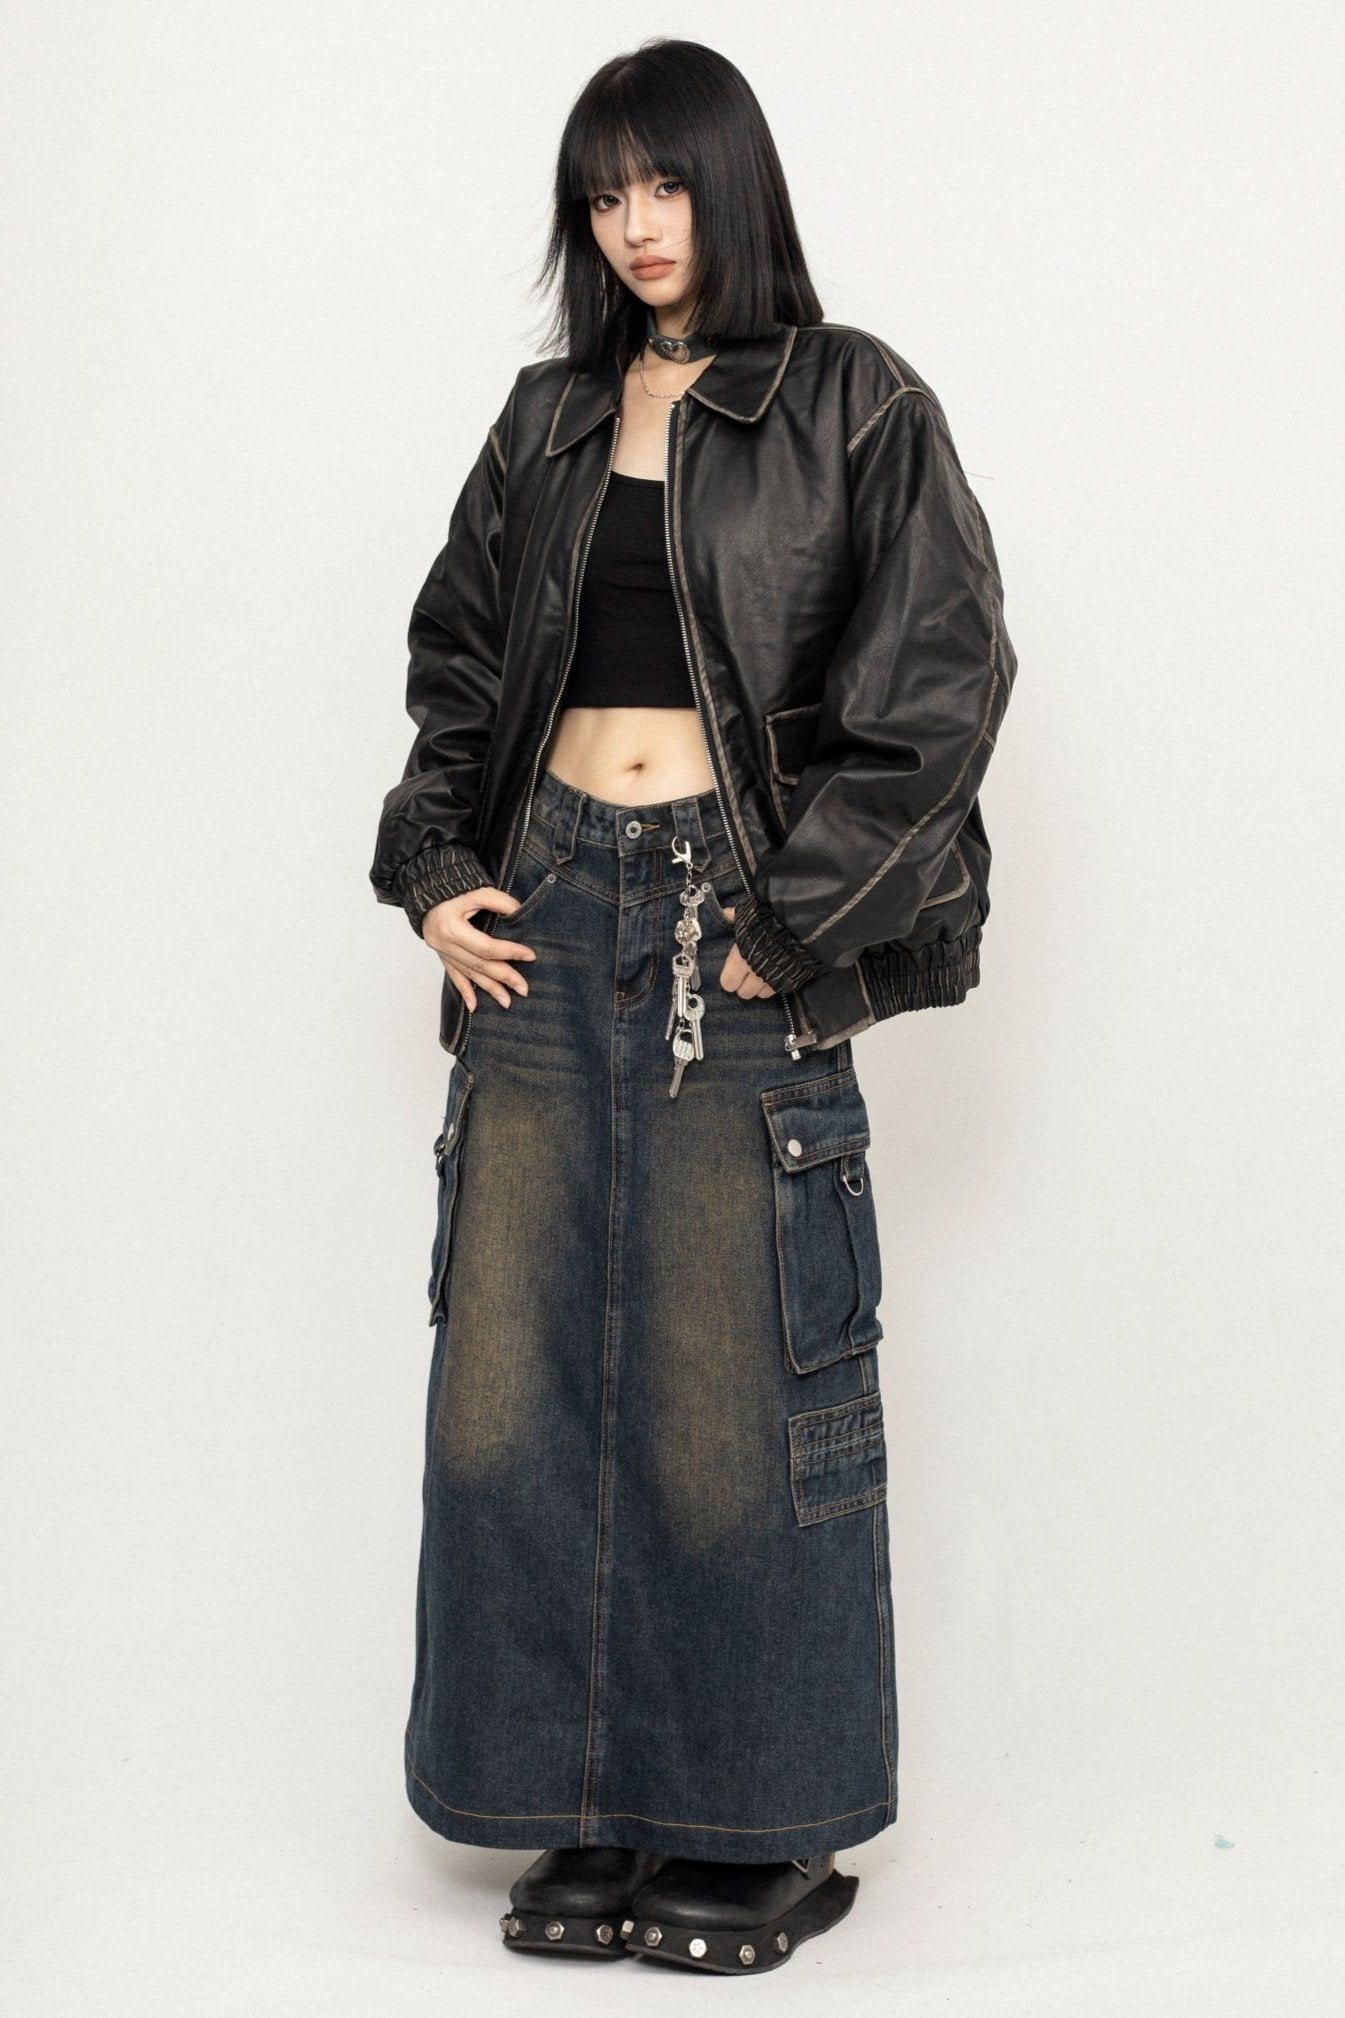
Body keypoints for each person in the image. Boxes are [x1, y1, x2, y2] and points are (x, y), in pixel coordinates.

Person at [369, 37, 1016, 1976]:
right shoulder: (548, 418)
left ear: (732, 185)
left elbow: (942, 688)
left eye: (663, 184)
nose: (635, 225)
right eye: (602, 195)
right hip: (551, 903)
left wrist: (792, 923)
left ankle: (762, 1822)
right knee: (518, 1382)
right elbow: (457, 663)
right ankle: (584, 1792)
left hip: (734, 921)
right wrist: (434, 867)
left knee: (737, 1392)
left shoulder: (854, 401)